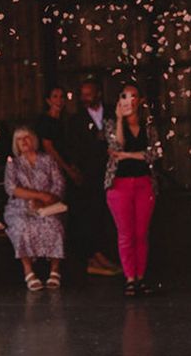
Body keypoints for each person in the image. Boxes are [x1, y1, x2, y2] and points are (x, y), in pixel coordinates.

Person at [104, 84, 162, 297]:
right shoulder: (111, 123)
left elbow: (154, 153)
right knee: (126, 234)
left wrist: (129, 156)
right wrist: (120, 119)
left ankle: (140, 277)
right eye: (125, 96)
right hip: (119, 185)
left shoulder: (148, 125)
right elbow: (116, 147)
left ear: (140, 100)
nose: (130, 100)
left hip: (144, 183)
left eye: (134, 96)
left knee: (141, 233)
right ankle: (130, 278)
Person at [67, 77, 121, 276]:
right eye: (82, 95)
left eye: (89, 94)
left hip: (113, 171)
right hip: (90, 176)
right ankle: (95, 257)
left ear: (98, 93)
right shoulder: (76, 120)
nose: (85, 98)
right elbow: (74, 148)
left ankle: (110, 256)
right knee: (93, 216)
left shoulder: (112, 113)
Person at [4, 126, 66, 290]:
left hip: (48, 205)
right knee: (23, 226)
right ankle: (28, 271)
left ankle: (55, 270)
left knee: (54, 225)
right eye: (19, 139)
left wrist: (47, 200)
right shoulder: (13, 163)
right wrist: (39, 196)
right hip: (20, 206)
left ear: (34, 140)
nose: (24, 141)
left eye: (27, 137)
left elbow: (59, 183)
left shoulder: (48, 160)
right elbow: (12, 188)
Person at [35, 84, 79, 183]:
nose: (59, 100)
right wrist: (67, 170)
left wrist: (73, 165)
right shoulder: (44, 121)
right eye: (55, 97)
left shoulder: (66, 120)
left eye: (61, 97)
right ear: (48, 100)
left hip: (66, 164)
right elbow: (49, 149)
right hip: (50, 168)